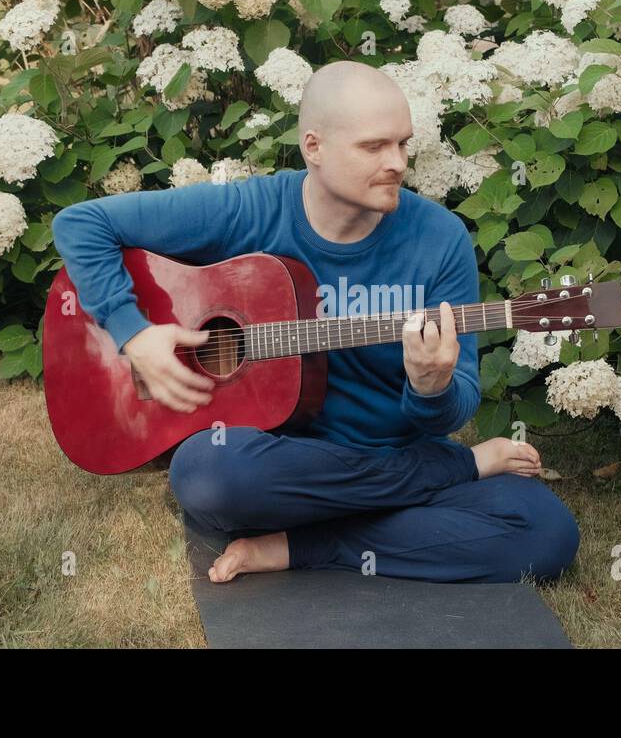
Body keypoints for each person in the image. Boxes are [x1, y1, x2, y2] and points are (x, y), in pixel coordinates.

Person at [52, 61, 580, 585]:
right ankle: (439, 482)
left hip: (389, 453)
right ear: (314, 148)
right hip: (283, 462)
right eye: (374, 147)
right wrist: (134, 333)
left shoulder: (440, 239)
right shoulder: (250, 209)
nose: (397, 163)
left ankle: (305, 544)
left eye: (403, 143)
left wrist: (431, 385)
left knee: (546, 532)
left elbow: (454, 404)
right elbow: (82, 224)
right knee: (208, 473)